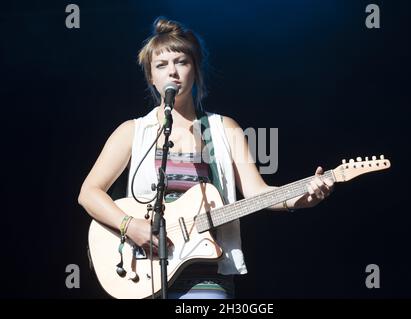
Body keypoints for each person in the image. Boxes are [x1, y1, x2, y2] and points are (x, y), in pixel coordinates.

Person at [78, 16, 334, 299]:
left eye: (181, 62)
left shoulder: (223, 129)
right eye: (161, 65)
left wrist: (301, 198)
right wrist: (131, 225)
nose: (172, 72)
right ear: (151, 77)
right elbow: (89, 193)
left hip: (206, 279)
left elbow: (258, 193)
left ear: (195, 69)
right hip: (144, 272)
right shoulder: (133, 131)